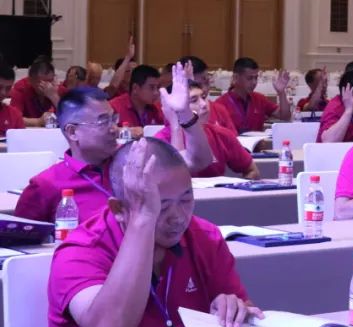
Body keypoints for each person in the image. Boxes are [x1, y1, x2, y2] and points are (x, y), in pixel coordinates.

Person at [47, 138, 260, 327]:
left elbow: (244, 310)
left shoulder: (205, 237)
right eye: (162, 206)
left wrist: (233, 309)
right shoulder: (81, 250)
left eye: (186, 200)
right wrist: (143, 217)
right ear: (119, 209)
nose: (178, 217)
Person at [16, 64, 211, 224]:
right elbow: (20, 241)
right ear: (73, 132)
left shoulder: (133, 158)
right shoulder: (46, 185)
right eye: (103, 121)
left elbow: (198, 161)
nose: (114, 128)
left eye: (113, 118)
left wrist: (184, 114)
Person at [155, 81, 258, 180]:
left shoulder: (222, 134)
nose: (204, 104)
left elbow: (252, 170)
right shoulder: (160, 142)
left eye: (204, 97)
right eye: (194, 100)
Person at [217, 58, 291, 132]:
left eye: (256, 78)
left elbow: (285, 116)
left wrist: (281, 92)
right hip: (232, 139)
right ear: (236, 77)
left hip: (257, 139)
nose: (254, 82)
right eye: (249, 78)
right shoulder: (221, 104)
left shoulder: (259, 99)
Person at [180, 55, 235, 132]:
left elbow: (233, 137)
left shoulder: (219, 110)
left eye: (206, 82)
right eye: (197, 86)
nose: (204, 90)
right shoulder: (174, 113)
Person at [109, 65, 165, 136]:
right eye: (151, 87)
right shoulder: (114, 107)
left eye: (158, 87)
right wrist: (126, 131)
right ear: (135, 88)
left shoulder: (158, 108)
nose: (156, 93)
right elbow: (104, 132)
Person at [11, 56, 59, 125]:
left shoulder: (56, 87)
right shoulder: (21, 88)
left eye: (50, 80)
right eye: (43, 82)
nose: (48, 86)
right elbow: (14, 118)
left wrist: (54, 97)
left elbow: (69, 116)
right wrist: (38, 121)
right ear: (30, 80)